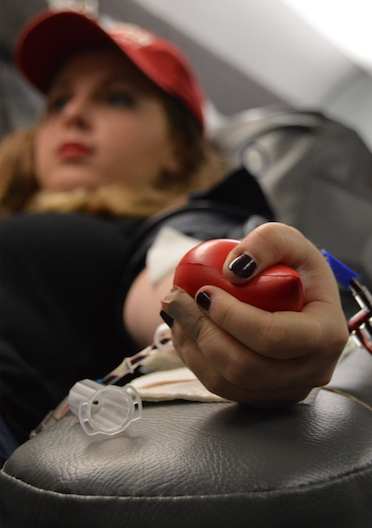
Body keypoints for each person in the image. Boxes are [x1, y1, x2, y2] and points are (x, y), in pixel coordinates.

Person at [0, 9, 348, 463]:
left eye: (117, 98)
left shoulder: (169, 225)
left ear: (179, 153)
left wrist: (250, 323)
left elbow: (180, 275)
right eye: (59, 102)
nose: (76, 114)